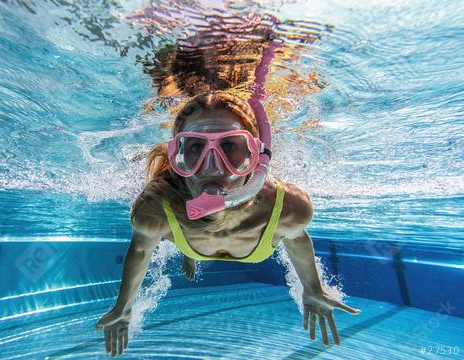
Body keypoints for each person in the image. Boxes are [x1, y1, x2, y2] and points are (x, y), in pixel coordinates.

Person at [95, 90, 361, 357]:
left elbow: (297, 239)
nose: (212, 168)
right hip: (190, 241)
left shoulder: (289, 206)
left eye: (229, 146)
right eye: (196, 147)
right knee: (181, 240)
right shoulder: (154, 208)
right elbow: (142, 249)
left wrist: (313, 289)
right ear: (178, 157)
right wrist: (123, 308)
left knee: (189, 239)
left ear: (255, 155)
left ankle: (191, 253)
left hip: (198, 239)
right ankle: (191, 256)